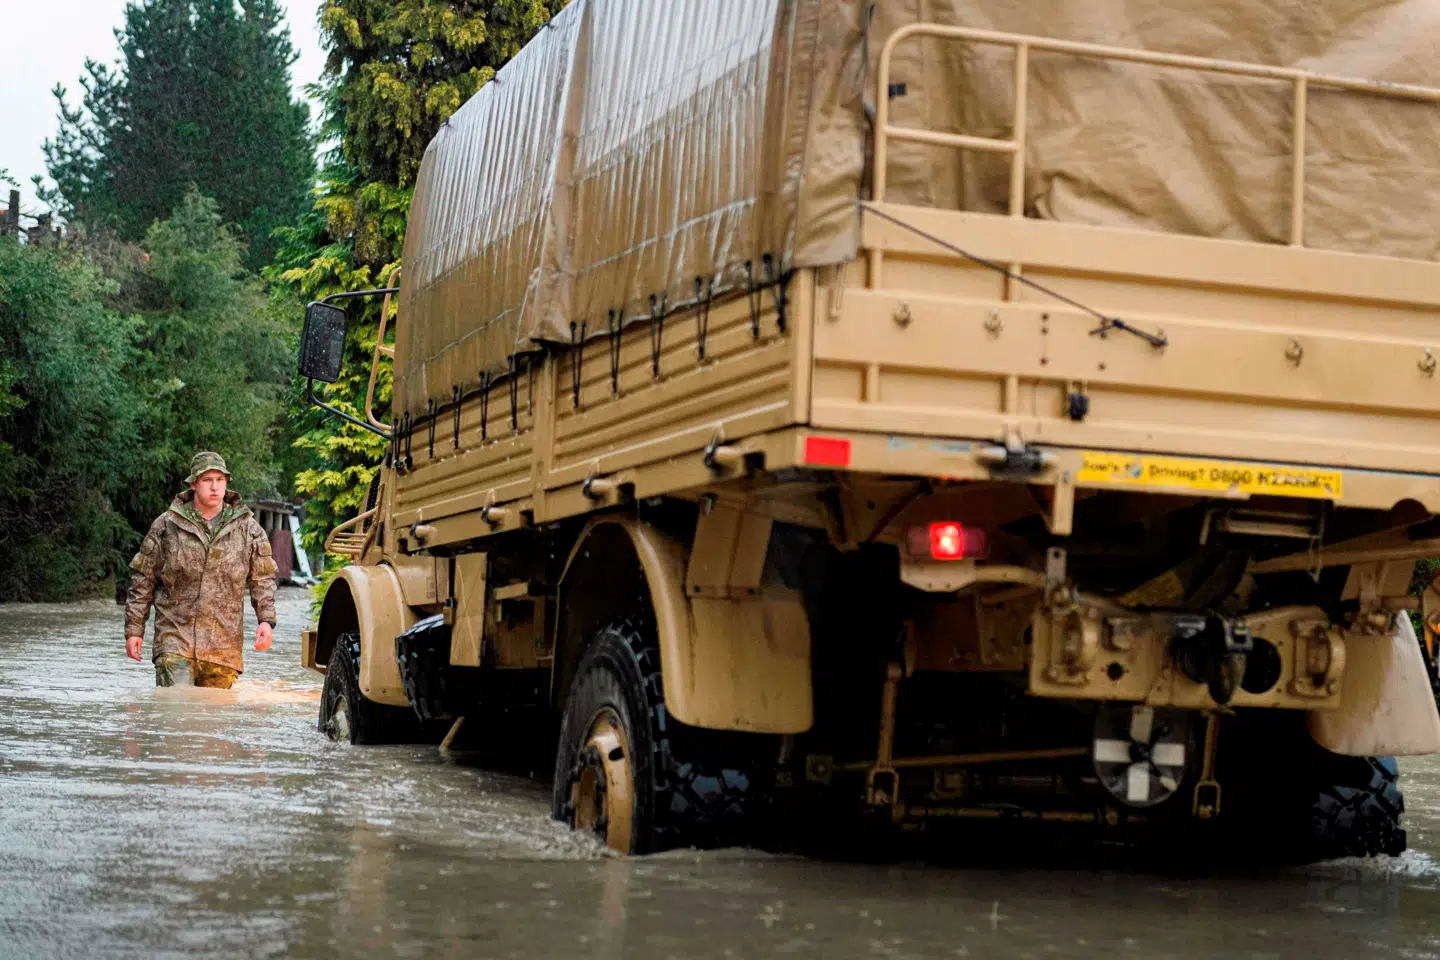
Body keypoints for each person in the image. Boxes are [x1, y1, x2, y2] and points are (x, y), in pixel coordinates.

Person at [124, 451, 278, 688]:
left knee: (213, 720)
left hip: (222, 648)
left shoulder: (249, 530)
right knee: (176, 712)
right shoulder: (167, 525)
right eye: (207, 480)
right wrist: (134, 630)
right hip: (174, 639)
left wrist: (266, 622)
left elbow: (263, 579)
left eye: (220, 480)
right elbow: (143, 579)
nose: (215, 487)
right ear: (193, 484)